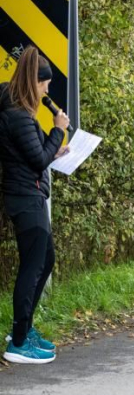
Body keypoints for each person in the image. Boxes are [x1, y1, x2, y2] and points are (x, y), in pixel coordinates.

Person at [0, 46, 70, 364]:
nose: (47, 90)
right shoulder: (17, 115)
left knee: (47, 260)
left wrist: (56, 148)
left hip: (31, 195)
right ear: (33, 81)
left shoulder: (23, 113)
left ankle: (25, 330)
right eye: (45, 84)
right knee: (32, 267)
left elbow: (40, 152)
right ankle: (18, 341)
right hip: (26, 199)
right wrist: (58, 129)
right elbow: (38, 156)